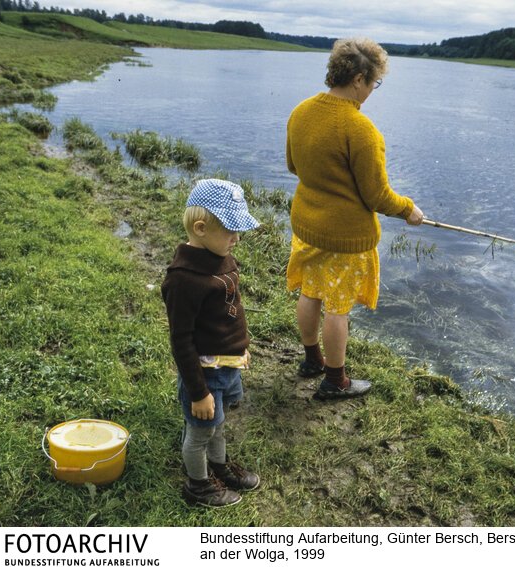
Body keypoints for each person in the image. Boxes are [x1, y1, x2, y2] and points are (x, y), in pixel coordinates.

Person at [285, 38, 424, 400]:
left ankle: (311, 359)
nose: (372, 91)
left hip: (306, 224)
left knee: (310, 292)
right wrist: (409, 209)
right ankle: (335, 380)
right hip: (344, 237)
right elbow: (377, 196)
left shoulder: (301, 111)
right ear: (359, 79)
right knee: (338, 308)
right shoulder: (361, 130)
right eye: (374, 83)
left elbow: (292, 166)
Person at [161, 178, 261, 507]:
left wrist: (239, 346)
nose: (237, 238)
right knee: (200, 431)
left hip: (228, 364)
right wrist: (198, 392)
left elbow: (228, 310)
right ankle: (198, 485)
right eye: (230, 230)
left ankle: (218, 466)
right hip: (205, 374)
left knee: (217, 426)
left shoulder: (220, 255)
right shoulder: (184, 279)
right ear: (201, 228)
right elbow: (181, 340)